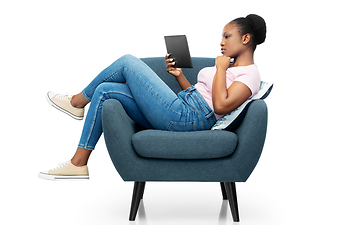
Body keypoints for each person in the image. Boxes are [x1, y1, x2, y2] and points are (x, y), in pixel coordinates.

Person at [38, 14, 266, 180]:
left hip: (189, 118)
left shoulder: (250, 74)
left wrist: (221, 69)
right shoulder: (227, 66)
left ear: (245, 39)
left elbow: (220, 105)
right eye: (222, 37)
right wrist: (178, 76)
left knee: (128, 61)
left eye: (227, 36)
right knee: (105, 89)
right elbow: (200, 94)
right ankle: (79, 162)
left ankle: (77, 102)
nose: (221, 42)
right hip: (185, 106)